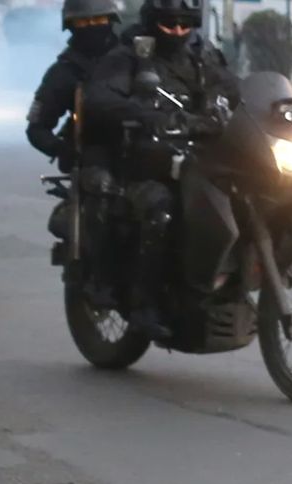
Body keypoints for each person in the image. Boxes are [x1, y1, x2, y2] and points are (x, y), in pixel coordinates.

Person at [76, 0, 238, 337]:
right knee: (161, 209)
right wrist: (145, 115)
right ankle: (143, 305)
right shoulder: (130, 56)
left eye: (185, 24)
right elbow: (100, 98)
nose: (178, 31)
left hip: (197, 155)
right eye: (170, 24)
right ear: (153, 21)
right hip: (141, 162)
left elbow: (234, 91)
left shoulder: (204, 56)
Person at [25, 0, 124, 167]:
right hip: (95, 154)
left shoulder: (133, 58)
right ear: (71, 26)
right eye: (83, 22)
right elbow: (37, 129)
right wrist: (60, 148)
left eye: (99, 20)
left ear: (110, 21)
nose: (92, 26)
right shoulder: (65, 71)